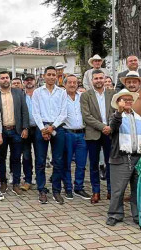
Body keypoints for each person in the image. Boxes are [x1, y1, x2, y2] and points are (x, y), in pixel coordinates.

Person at [0, 71, 29, 195]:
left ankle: (16, 183)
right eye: (2, 78)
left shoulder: (19, 93)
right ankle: (3, 182)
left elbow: (24, 111)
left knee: (16, 158)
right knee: (0, 158)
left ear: (10, 79)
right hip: (1, 132)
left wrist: (25, 128)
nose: (5, 80)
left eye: (7, 77)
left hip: (16, 131)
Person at [32, 66, 67, 204]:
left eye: (54, 74)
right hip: (41, 127)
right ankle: (41, 189)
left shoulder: (62, 92)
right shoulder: (37, 92)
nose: (52, 77)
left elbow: (63, 113)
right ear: (44, 76)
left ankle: (56, 190)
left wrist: (52, 127)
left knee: (58, 161)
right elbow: (35, 112)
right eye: (49, 74)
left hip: (57, 127)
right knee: (40, 161)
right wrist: (43, 129)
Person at [106, 89, 140, 226]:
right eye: (124, 99)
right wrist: (119, 112)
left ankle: (138, 216)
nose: (127, 102)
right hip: (120, 157)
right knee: (118, 190)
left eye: (130, 99)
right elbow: (113, 127)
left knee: (137, 190)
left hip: (137, 157)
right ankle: (115, 214)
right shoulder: (114, 116)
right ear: (118, 102)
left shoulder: (138, 117)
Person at [81, 69, 115, 203]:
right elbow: (86, 116)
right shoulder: (86, 96)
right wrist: (103, 127)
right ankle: (96, 192)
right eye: (96, 78)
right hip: (93, 133)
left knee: (110, 163)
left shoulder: (113, 94)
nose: (99, 80)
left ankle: (111, 191)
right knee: (94, 164)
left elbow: (116, 112)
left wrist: (110, 127)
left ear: (105, 79)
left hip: (110, 133)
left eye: (101, 78)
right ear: (91, 80)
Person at [62, 75, 91, 200]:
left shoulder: (82, 97)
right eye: (70, 82)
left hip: (82, 134)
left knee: (81, 163)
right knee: (66, 162)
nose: (73, 84)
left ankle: (79, 187)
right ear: (65, 84)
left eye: (75, 82)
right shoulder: (60, 97)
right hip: (67, 133)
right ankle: (68, 188)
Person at [20, 74, 37, 191]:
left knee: (40, 156)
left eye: (31, 80)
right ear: (24, 83)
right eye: (27, 80)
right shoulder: (20, 96)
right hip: (25, 129)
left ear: (35, 81)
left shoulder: (40, 94)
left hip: (38, 129)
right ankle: (28, 180)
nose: (29, 82)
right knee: (26, 156)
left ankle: (40, 179)